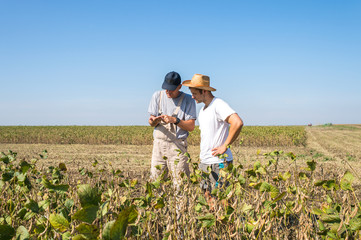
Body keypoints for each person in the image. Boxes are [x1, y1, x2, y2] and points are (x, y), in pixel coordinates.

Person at [183, 74, 243, 201]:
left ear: (204, 91)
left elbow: (237, 122)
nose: (192, 96)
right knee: (208, 198)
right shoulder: (203, 110)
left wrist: (225, 145)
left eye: (195, 93)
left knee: (221, 201)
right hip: (205, 162)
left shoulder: (218, 104)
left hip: (219, 163)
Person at [148, 71, 197, 185]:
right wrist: (154, 121)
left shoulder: (188, 100)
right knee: (156, 181)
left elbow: (191, 126)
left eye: (171, 89)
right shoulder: (157, 96)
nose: (168, 91)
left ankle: (181, 203)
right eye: (166, 88)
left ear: (179, 87)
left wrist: (175, 120)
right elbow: (150, 122)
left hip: (177, 146)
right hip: (158, 145)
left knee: (181, 183)